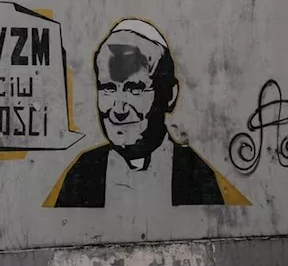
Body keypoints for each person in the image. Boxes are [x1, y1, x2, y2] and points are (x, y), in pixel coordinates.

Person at [50, 19, 225, 208]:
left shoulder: (196, 175)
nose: (119, 110)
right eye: (108, 88)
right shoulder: (83, 173)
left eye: (134, 89)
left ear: (169, 95)